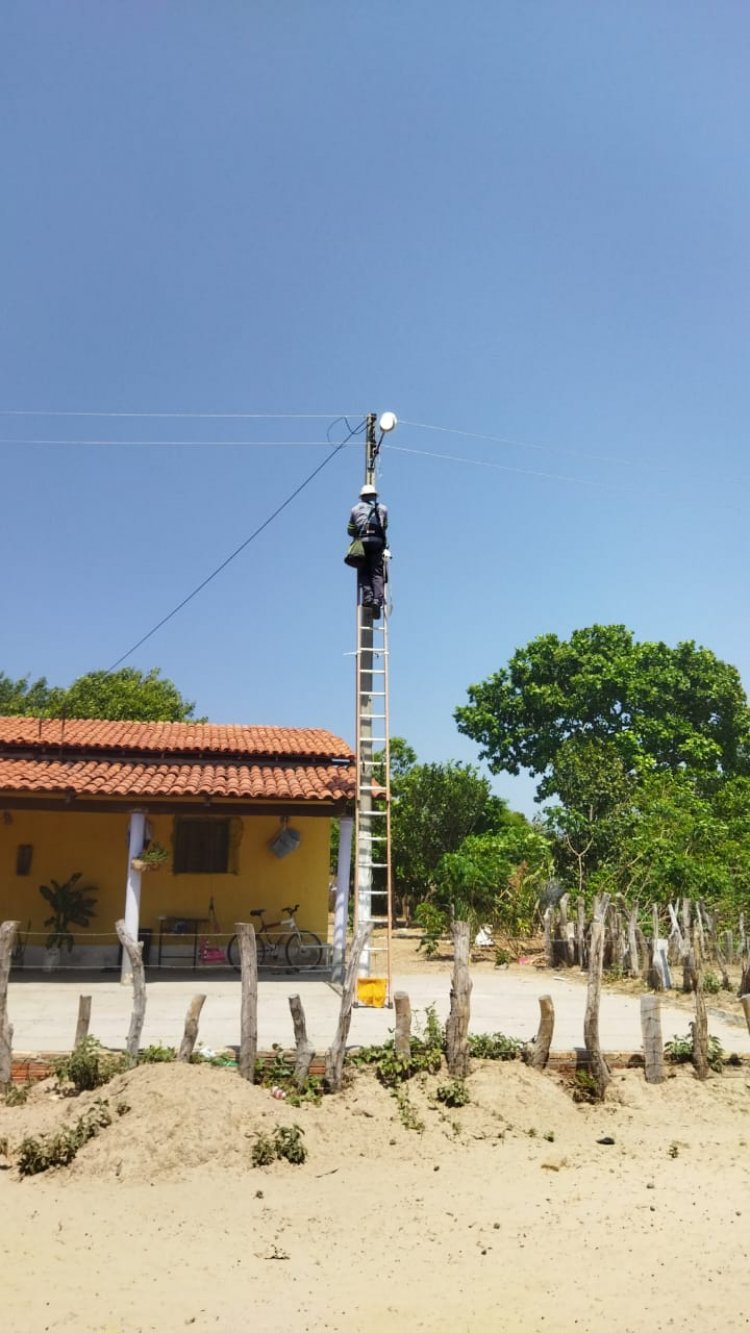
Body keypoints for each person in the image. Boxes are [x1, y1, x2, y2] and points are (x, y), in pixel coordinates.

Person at [347, 482, 389, 615]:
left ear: (362, 496)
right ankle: (377, 599)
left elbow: (350, 530)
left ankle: (368, 597)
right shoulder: (382, 508)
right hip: (377, 541)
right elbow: (385, 526)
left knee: (364, 571)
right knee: (377, 572)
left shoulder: (355, 510)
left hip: (362, 542)